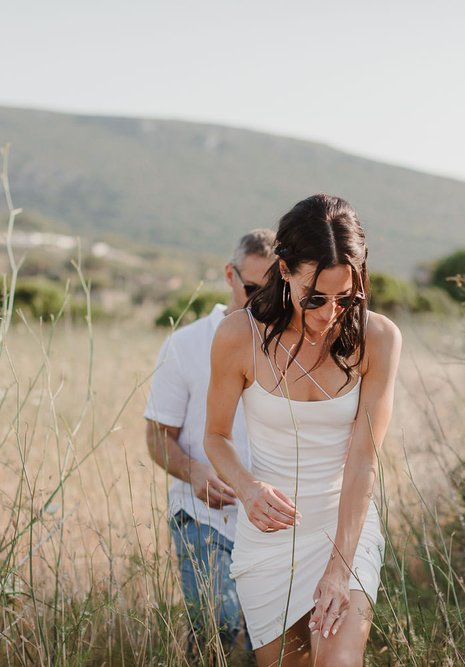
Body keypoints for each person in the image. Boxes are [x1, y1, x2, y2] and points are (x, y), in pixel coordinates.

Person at [205, 194, 402, 666]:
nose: (329, 312)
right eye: (315, 297)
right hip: (269, 535)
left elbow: (363, 461)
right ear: (285, 270)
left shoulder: (378, 339)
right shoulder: (239, 336)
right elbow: (215, 436)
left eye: (345, 297)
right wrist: (248, 489)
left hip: (345, 527)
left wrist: (340, 569)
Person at [144, 229, 276, 656]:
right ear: (229, 274)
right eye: (252, 287)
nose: (261, 299)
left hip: (274, 523)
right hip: (202, 517)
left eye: (273, 290)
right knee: (216, 629)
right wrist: (195, 471)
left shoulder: (292, 345)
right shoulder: (183, 345)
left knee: (271, 644)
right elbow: (156, 437)